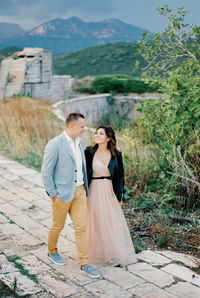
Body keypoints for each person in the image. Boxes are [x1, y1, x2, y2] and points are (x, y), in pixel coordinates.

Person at [41, 113, 100, 278]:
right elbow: (46, 172)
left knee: (81, 228)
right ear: (71, 126)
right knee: (57, 226)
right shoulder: (55, 144)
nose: (84, 129)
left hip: (80, 192)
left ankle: (85, 264)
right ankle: (52, 251)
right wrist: (53, 195)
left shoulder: (80, 142)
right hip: (61, 194)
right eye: (82, 126)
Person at [85, 125, 137, 266]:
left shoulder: (116, 155)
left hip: (108, 190)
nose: (96, 135)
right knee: (95, 220)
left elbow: (120, 177)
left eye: (101, 133)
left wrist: (121, 197)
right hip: (93, 189)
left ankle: (112, 252)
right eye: (96, 133)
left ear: (108, 138)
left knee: (110, 220)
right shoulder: (89, 152)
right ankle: (97, 252)